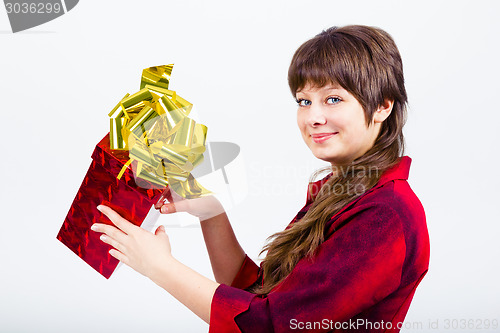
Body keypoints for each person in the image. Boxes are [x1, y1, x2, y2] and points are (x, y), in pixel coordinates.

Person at [91, 25, 430, 332]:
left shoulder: (385, 215)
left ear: (383, 106)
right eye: (304, 100)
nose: (313, 117)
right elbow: (255, 295)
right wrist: (211, 211)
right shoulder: (341, 193)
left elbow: (268, 326)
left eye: (333, 99)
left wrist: (159, 267)